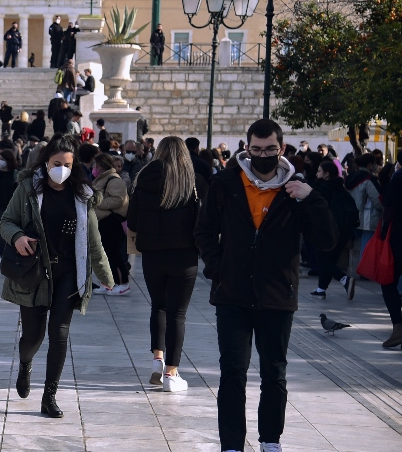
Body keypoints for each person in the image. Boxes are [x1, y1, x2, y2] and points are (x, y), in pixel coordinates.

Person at [194, 119, 337, 452]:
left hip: (277, 296)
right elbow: (203, 231)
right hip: (232, 295)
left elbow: (328, 242)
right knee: (233, 372)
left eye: (269, 149)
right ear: (247, 148)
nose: (262, 155)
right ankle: (231, 444)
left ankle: (270, 440)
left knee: (274, 374)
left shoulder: (295, 190)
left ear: (281, 149)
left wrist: (311, 198)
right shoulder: (226, 183)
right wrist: (219, 269)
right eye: (256, 150)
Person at [0, 135, 114, 417]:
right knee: (33, 338)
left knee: (59, 333)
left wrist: (106, 275)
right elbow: (6, 221)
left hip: (68, 273)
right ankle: (26, 365)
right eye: (56, 163)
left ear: (74, 166)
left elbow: (93, 241)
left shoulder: (82, 196)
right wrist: (17, 237)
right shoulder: (28, 189)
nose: (61, 168)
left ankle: (49, 396)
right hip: (35, 272)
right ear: (46, 162)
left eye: (67, 164)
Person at [129, 137, 206, 393]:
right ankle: (172, 373)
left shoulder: (143, 180)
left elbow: (133, 223)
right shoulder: (191, 183)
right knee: (177, 313)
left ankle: (157, 360)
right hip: (184, 256)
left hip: (152, 255)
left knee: (158, 307)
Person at [310, 160, 359, 299]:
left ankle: (344, 279)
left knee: (323, 259)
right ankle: (321, 289)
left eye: (319, 171)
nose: (317, 173)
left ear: (326, 174)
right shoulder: (340, 187)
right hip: (344, 230)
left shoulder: (322, 189)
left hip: (328, 230)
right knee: (329, 259)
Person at [90, 154, 131, 296]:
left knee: (114, 254)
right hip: (102, 222)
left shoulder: (114, 180)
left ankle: (122, 283)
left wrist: (97, 202)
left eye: (96, 165)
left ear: (102, 166)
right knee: (105, 255)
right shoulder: (100, 180)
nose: (93, 168)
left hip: (112, 222)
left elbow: (118, 200)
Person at [380, 163, 402, 348]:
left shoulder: (398, 178)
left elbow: (388, 209)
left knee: (388, 283)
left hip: (397, 240)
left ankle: (398, 327)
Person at [346, 154, 383, 261]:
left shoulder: (350, 177)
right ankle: (364, 267)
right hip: (367, 217)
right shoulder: (369, 179)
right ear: (370, 164)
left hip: (351, 215)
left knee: (357, 241)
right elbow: (377, 199)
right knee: (367, 241)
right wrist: (384, 210)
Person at [0, 149, 18, 254]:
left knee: (11, 230)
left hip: (12, 207)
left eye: (2, 159)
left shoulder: (15, 174)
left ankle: (11, 252)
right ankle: (3, 254)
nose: (0, 161)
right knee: (1, 229)